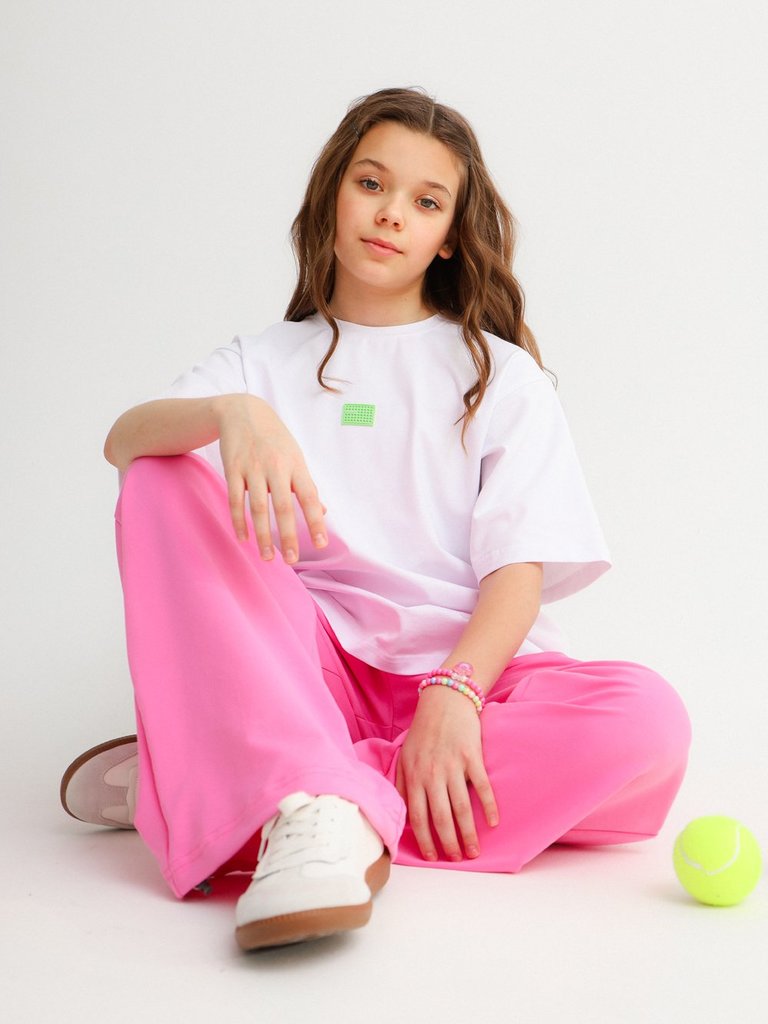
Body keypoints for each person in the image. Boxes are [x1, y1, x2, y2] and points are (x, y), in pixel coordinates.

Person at [60, 87, 692, 952]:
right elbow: (123, 440)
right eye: (371, 183)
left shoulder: (500, 376)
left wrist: (455, 694)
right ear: (333, 193)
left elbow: (518, 569)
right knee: (162, 473)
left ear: (449, 236)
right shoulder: (261, 362)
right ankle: (284, 785)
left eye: (426, 202)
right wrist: (232, 413)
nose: (392, 213)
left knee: (648, 723)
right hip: (307, 674)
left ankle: (245, 784)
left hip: (470, 680)